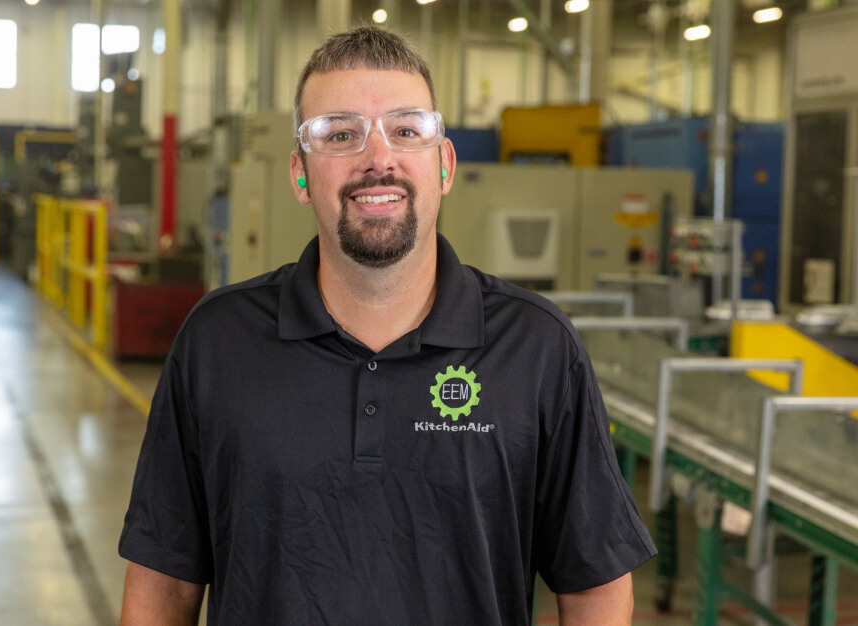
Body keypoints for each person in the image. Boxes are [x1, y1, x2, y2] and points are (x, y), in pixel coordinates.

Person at [119, 25, 656, 626]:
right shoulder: (217, 342)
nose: (379, 159)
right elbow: (164, 585)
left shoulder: (536, 349)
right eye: (341, 134)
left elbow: (597, 588)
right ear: (300, 174)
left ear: (444, 165)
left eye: (406, 130)